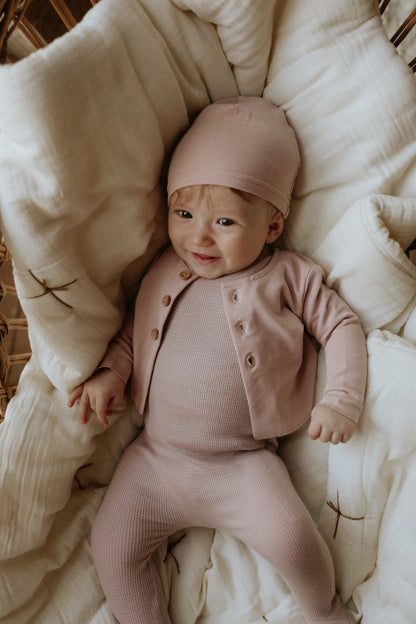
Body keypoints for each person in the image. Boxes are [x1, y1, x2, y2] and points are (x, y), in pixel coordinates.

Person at [68, 96, 367, 624]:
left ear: (273, 225)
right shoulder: (164, 266)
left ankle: (325, 612)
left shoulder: (287, 275)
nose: (198, 237)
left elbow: (341, 325)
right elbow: (134, 335)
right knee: (112, 545)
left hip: (242, 467)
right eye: (182, 214)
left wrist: (340, 400)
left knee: (294, 540)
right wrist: (111, 374)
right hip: (155, 461)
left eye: (225, 221)